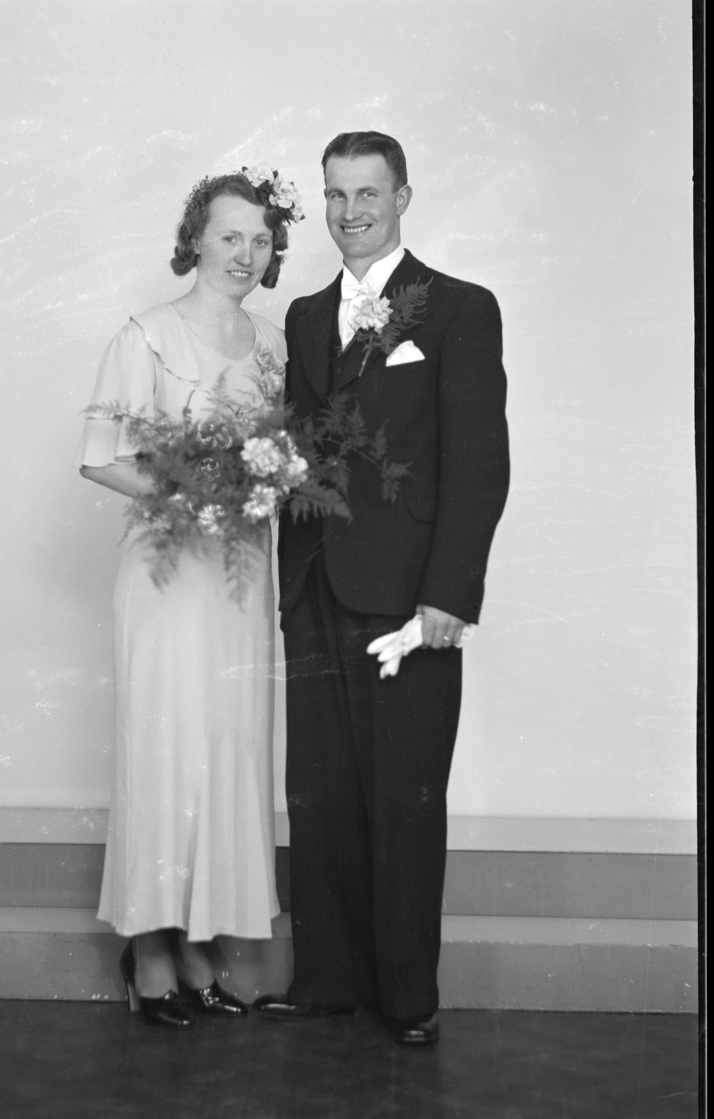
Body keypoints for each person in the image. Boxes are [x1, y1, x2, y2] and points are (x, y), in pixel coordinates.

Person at [254, 131, 510, 1044]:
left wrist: (450, 597)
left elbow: (479, 465)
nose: (349, 212)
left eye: (367, 193)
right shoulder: (303, 317)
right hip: (315, 586)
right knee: (319, 794)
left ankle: (407, 1000)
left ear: (403, 197)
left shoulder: (459, 309)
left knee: (405, 798)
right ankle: (327, 981)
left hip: (409, 601)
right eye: (335, 195)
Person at [77, 168, 299, 1028]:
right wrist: (190, 496)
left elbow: (285, 459)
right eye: (229, 235)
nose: (246, 253)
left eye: (261, 239)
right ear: (196, 239)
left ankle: (202, 939)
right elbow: (101, 457)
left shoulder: (274, 344)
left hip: (239, 582)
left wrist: (267, 483)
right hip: (169, 579)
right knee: (166, 749)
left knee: (226, 750)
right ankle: (152, 947)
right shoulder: (148, 335)